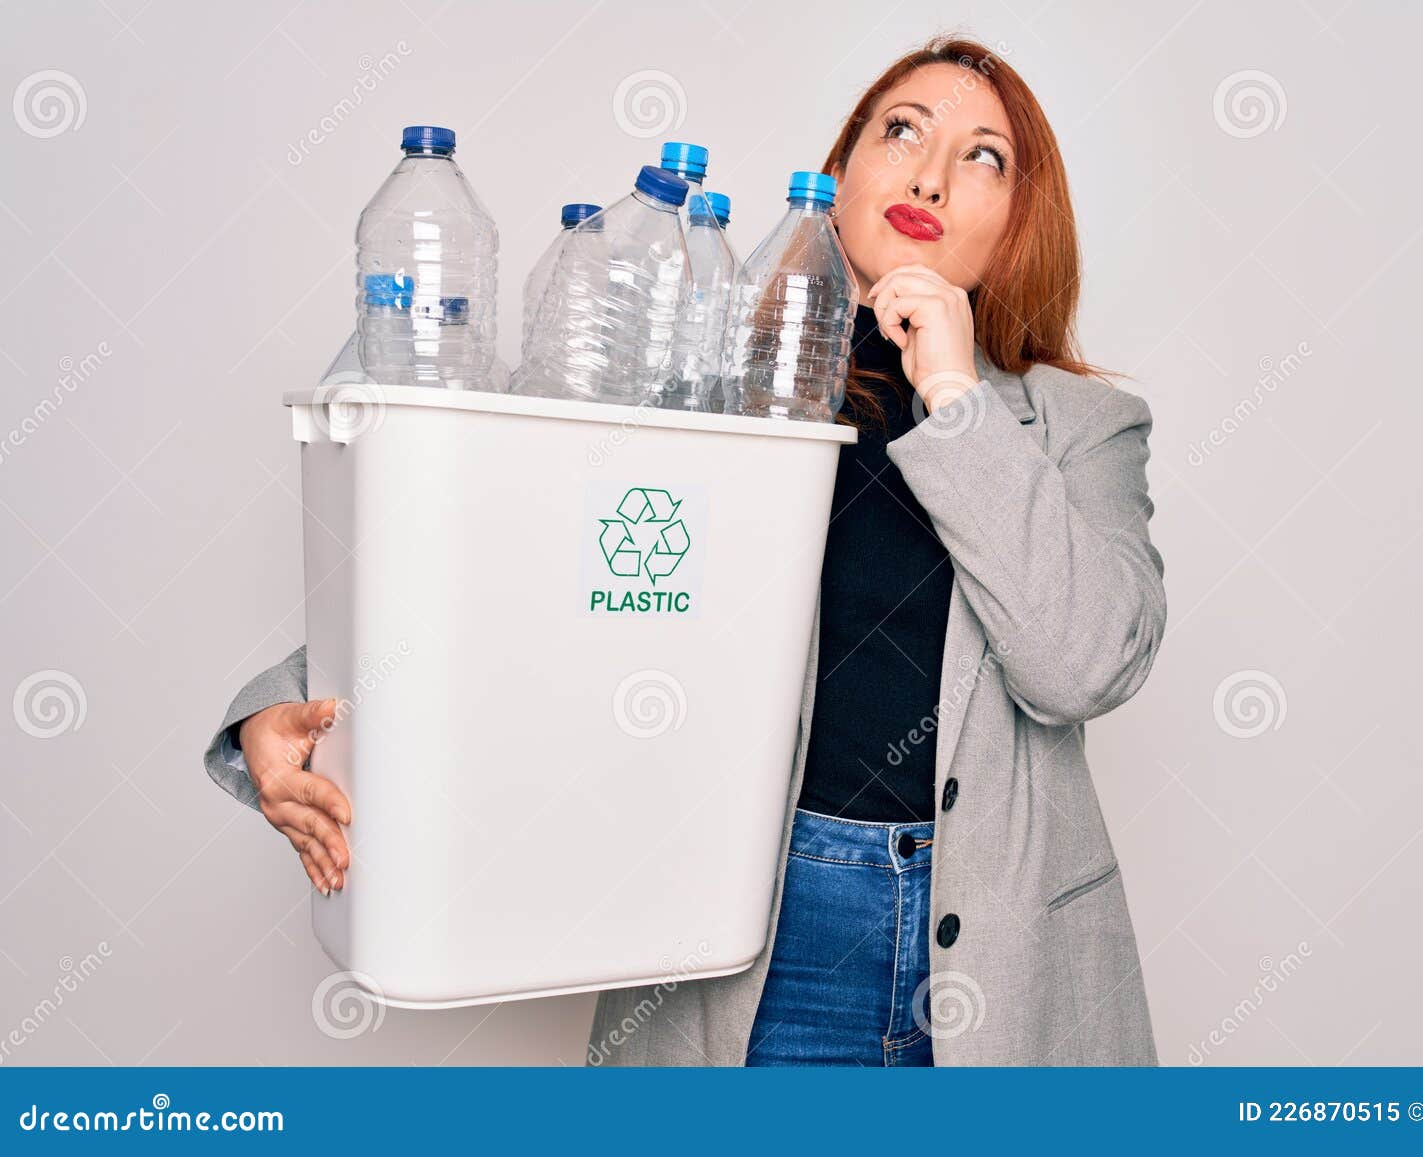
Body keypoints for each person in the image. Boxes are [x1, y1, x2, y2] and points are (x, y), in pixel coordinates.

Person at [202, 34, 1167, 1067]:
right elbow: (500, 560)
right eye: (901, 131)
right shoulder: (712, 386)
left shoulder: (1082, 425)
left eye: (984, 156)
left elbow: (1079, 663)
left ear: (1021, 221)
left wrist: (954, 395)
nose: (930, 172)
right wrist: (282, 704)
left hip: (999, 957)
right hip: (746, 933)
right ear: (837, 178)